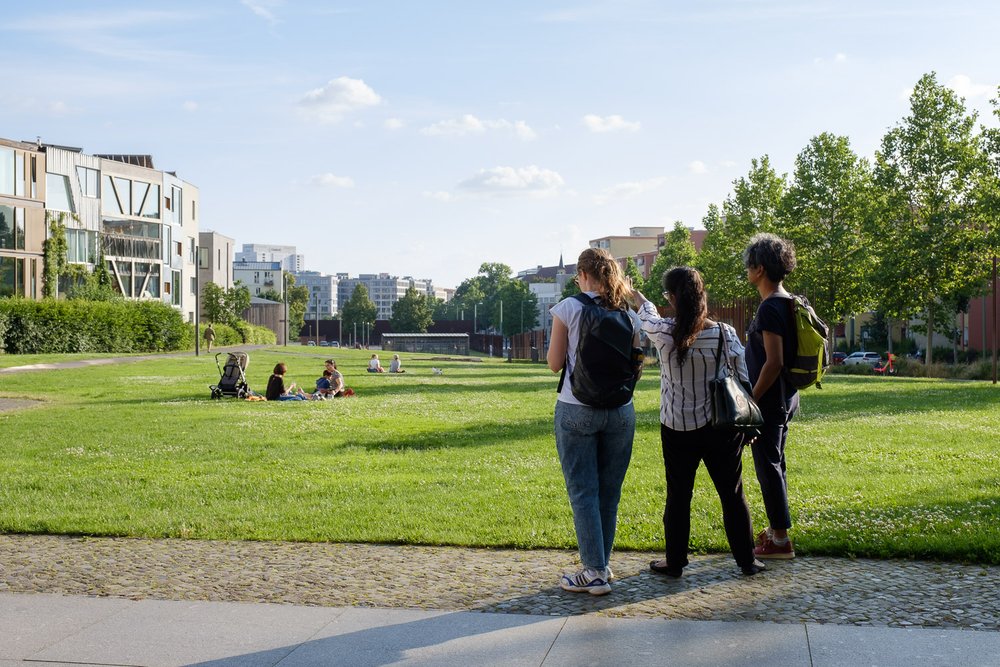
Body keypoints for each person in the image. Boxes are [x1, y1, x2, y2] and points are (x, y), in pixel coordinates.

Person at [630, 267, 765, 578]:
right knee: (732, 494)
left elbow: (646, 316)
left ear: (674, 298)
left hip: (676, 427)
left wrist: (635, 294)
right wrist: (748, 426)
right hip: (721, 428)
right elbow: (743, 381)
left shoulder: (664, 334)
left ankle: (674, 562)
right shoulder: (724, 333)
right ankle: (747, 560)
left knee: (678, 496)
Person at [547, 247, 640, 596]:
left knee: (583, 491)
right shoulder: (628, 314)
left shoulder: (569, 308)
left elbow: (555, 364)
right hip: (621, 410)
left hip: (576, 407)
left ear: (583, 274)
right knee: (609, 493)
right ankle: (602, 562)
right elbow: (636, 365)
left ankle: (594, 571)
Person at [743, 233, 800, 559]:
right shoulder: (789, 302)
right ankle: (779, 531)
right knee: (776, 464)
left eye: (749, 265)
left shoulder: (770, 308)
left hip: (770, 400)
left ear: (760, 269)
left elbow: (774, 361)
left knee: (768, 467)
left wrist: (752, 398)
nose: (747, 271)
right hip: (786, 397)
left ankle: (780, 541)